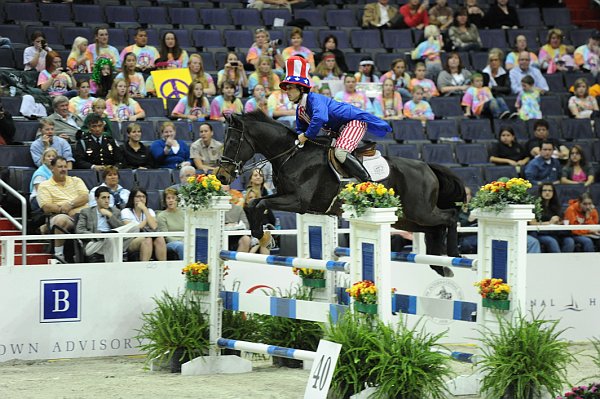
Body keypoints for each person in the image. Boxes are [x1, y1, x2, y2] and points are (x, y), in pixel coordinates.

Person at [280, 56, 392, 182]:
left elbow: (320, 118)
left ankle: (368, 182)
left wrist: (306, 135)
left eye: (290, 88)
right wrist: (300, 138)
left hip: (353, 123)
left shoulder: (314, 99)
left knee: (340, 152)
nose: (287, 92)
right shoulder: (300, 109)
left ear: (301, 89)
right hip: (338, 130)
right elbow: (300, 128)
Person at [37, 156, 89, 262]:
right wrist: (63, 210)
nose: (64, 169)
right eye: (60, 167)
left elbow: (85, 197)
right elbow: (46, 207)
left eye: (65, 166)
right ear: (52, 168)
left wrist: (70, 205)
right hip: (62, 216)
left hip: (83, 214)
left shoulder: (76, 180)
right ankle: (58, 255)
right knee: (61, 220)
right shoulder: (44, 185)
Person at [75, 186, 140, 262]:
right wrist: (98, 235)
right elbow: (79, 230)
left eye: (108, 198)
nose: (107, 201)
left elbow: (122, 228)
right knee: (110, 239)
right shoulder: (86, 212)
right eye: (104, 198)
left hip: (114, 240)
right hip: (94, 243)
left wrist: (110, 215)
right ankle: (110, 235)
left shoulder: (115, 211)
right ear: (96, 199)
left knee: (135, 227)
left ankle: (111, 234)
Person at [121, 187, 167, 261]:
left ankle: (163, 267)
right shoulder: (126, 211)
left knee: (160, 239)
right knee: (147, 239)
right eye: (138, 196)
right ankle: (144, 268)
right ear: (132, 198)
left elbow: (154, 226)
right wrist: (147, 220)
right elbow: (134, 230)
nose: (141, 199)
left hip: (148, 236)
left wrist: (145, 209)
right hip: (131, 240)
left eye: (143, 196)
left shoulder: (149, 211)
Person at [530, 183, 574, 253]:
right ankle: (557, 262)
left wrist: (559, 222)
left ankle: (566, 262)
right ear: (540, 192)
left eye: (550, 190)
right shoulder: (534, 206)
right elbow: (532, 223)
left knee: (569, 241)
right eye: (544, 190)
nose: (547, 192)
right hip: (540, 233)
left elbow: (560, 220)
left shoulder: (556, 206)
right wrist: (550, 223)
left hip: (555, 232)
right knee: (551, 241)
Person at [243, 188, 276, 254]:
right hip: (251, 235)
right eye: (250, 197)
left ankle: (254, 255)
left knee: (264, 241)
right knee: (262, 240)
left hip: (265, 234)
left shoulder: (265, 208)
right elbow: (247, 226)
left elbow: (272, 221)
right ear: (246, 200)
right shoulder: (244, 211)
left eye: (256, 197)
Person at [157, 188, 185, 260]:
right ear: (165, 201)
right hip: (171, 242)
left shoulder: (184, 213)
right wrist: (180, 241)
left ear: (177, 200)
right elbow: (166, 236)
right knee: (181, 246)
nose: (171, 200)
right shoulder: (161, 216)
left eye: (173, 198)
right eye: (168, 198)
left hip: (185, 240)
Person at [30, 147, 58, 212]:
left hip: (55, 197)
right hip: (38, 199)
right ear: (44, 159)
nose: (51, 158)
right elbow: (40, 192)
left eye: (53, 156)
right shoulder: (40, 173)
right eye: (48, 156)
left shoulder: (58, 171)